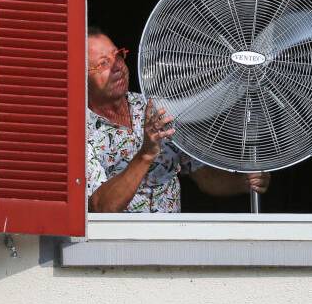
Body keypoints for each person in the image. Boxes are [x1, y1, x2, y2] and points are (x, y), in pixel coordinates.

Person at [85, 26, 269, 212]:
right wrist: (146, 154)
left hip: (171, 238)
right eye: (103, 64)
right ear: (80, 77)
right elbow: (100, 207)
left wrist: (244, 183)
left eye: (117, 55)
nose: (117, 66)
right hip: (117, 240)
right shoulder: (79, 131)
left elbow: (204, 176)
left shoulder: (155, 108)